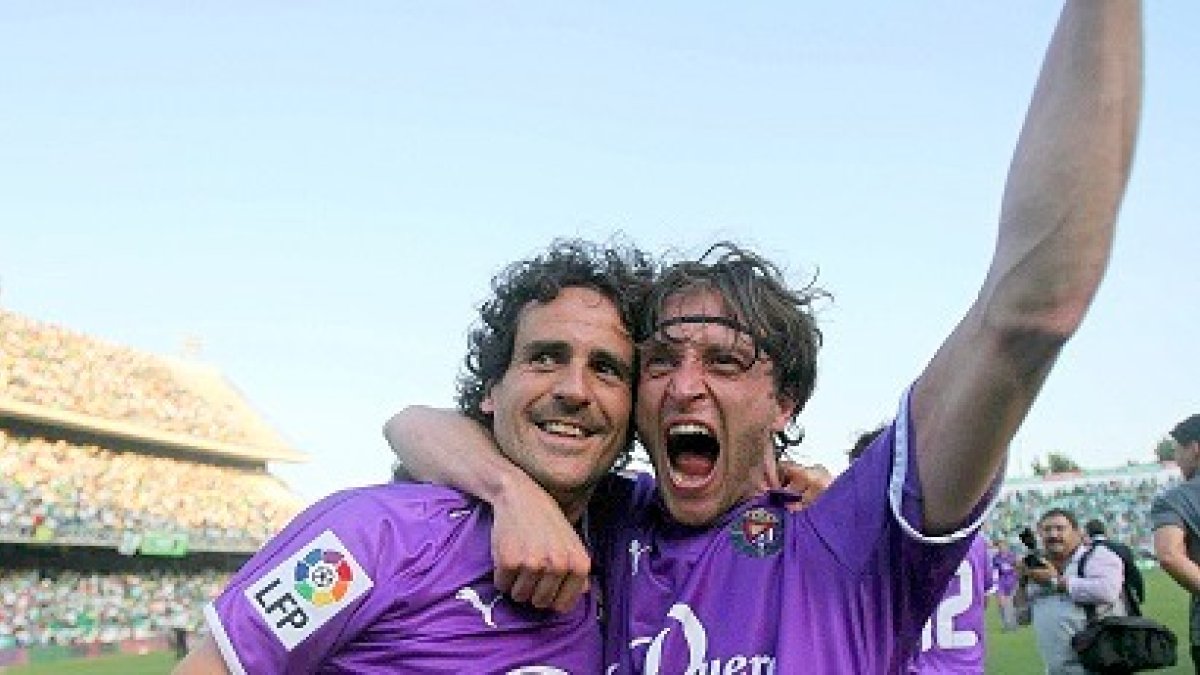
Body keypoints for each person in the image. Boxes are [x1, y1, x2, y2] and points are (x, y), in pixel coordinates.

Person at [387, 2, 1143, 671]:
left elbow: (1029, 312)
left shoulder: (849, 535)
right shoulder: (609, 518)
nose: (686, 384)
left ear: (784, 400)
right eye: (661, 360)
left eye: (725, 360)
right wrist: (511, 490)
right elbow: (411, 426)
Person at [173, 240, 656, 673]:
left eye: (606, 369)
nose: (574, 389)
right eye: (545, 357)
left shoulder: (636, 541)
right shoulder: (368, 534)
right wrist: (512, 492)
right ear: (491, 391)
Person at [1016, 508, 1128, 675]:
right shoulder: (1038, 566)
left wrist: (1055, 582)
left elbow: (1108, 591)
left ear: (1076, 532)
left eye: (1060, 528)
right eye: (1047, 530)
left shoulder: (1097, 556)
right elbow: (1021, 617)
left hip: (1100, 663)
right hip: (1057, 668)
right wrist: (1022, 581)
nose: (1053, 534)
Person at [1151, 414, 1200, 674]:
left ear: (1195, 448)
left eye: (1178, 450)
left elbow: (1170, 555)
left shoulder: (1177, 498)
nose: (1177, 459)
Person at [1085, 517, 1145, 607]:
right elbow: (1134, 574)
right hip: (1124, 599)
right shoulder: (1122, 548)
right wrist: (1140, 595)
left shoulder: (1086, 551)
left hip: (1098, 603)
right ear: (1104, 531)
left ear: (1087, 533)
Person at [991, 538, 1021, 632]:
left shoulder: (1012, 556)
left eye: (1003, 546)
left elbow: (1018, 568)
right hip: (1001, 582)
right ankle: (1006, 624)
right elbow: (994, 571)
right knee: (1001, 604)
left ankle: (1014, 624)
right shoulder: (995, 558)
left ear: (1006, 546)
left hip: (1012, 581)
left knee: (1011, 604)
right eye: (999, 546)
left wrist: (1018, 579)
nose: (1001, 548)